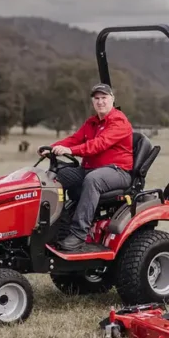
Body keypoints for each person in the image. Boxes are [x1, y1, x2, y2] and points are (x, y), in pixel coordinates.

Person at [41, 83, 133, 251]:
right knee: (54, 177)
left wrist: (70, 150)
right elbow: (74, 139)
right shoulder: (92, 122)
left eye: (104, 98)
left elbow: (99, 144)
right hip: (90, 169)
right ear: (92, 102)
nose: (100, 102)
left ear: (112, 99)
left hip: (117, 171)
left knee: (93, 179)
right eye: (96, 98)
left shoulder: (119, 121)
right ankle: (57, 226)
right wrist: (52, 148)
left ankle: (78, 234)